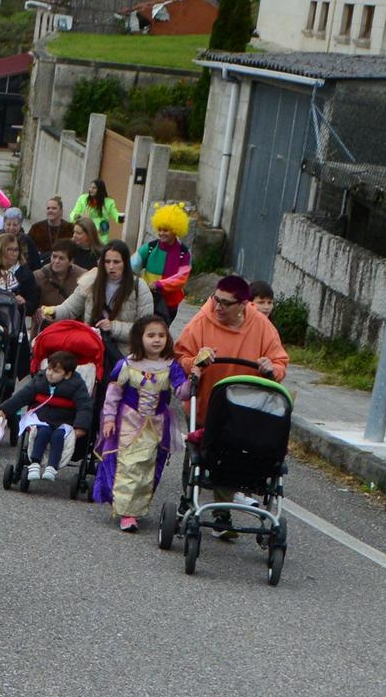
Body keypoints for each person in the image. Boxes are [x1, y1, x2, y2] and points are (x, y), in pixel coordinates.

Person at [91, 314, 189, 531]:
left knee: (147, 467)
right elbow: (113, 393)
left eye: (161, 335)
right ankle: (126, 512)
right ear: (139, 338)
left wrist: (195, 377)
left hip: (156, 425)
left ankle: (136, 508)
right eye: (151, 335)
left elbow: (182, 393)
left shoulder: (171, 366)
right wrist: (108, 419)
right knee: (128, 465)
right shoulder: (127, 364)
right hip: (128, 422)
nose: (157, 340)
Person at [174, 275, 289, 429]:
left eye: (225, 303)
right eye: (216, 299)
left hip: (246, 414)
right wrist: (197, 360)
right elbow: (180, 358)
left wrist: (270, 369)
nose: (217, 307)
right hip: (205, 412)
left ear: (243, 304)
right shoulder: (200, 322)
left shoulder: (262, 326)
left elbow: (279, 364)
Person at [43, 241, 154, 365]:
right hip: (91, 349)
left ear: (125, 263)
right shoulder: (90, 281)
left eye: (116, 262)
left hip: (124, 357)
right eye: (107, 262)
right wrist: (53, 312)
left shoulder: (139, 287)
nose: (111, 266)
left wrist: (113, 327)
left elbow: (146, 329)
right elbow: (69, 309)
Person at [0, 350, 95, 483]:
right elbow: (22, 396)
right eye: (49, 369)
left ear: (67, 374)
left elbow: (84, 406)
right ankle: (35, 463)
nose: (50, 373)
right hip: (42, 418)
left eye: (56, 371)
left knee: (59, 436)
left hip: (64, 420)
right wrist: (5, 409)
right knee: (42, 432)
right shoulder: (41, 379)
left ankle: (52, 466)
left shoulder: (77, 385)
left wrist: (81, 426)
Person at [133, 203, 193, 323]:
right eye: (159, 229)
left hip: (170, 303)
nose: (161, 233)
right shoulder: (150, 247)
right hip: (147, 298)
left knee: (161, 332)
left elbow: (181, 278)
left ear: (175, 230)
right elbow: (132, 265)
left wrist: (159, 285)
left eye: (165, 230)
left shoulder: (183, 253)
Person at [0, 230, 39, 311]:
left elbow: (33, 304)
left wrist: (22, 304)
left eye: (16, 250)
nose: (14, 254)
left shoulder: (25, 274)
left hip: (12, 320)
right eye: (10, 249)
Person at [34, 241, 86, 310]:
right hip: (45, 318)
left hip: (71, 318)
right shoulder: (38, 276)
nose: (56, 261)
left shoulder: (82, 276)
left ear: (71, 261)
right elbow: (32, 301)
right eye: (54, 256)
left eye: (61, 258)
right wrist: (37, 310)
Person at [71, 178, 123, 245]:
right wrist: (76, 216)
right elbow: (74, 212)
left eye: (94, 188)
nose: (91, 190)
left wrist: (119, 218)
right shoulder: (83, 199)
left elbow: (115, 214)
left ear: (100, 190)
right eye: (90, 187)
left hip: (100, 234)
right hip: (84, 231)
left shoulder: (109, 202)